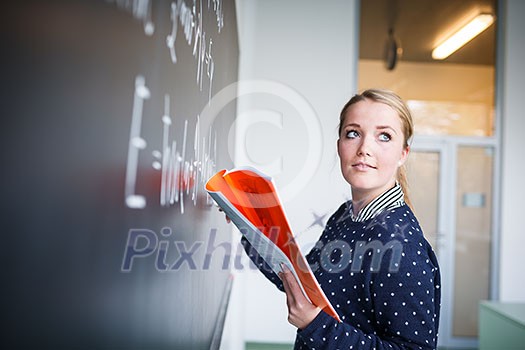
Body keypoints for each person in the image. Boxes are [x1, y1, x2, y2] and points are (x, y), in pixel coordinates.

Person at [240, 88, 441, 349]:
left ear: (403, 153)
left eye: (384, 136)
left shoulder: (401, 243)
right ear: (339, 146)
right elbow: (305, 282)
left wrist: (315, 325)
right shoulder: (345, 216)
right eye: (353, 133)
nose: (364, 148)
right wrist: (247, 222)